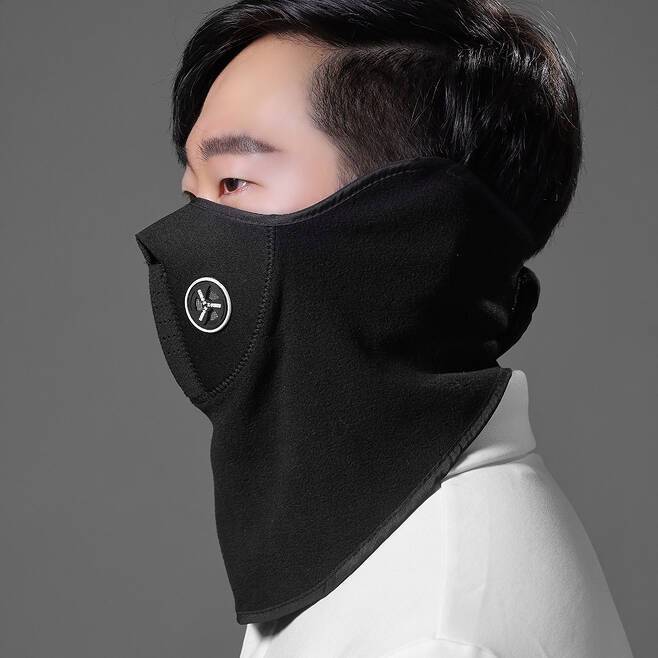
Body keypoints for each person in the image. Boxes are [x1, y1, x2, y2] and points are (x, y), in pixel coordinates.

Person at [139, 1, 634, 655]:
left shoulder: (438, 636)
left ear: (408, 227)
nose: (187, 236)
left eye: (234, 182)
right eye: (192, 194)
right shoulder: (372, 547)